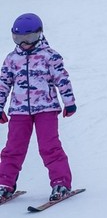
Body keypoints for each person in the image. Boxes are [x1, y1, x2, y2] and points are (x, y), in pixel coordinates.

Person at [0, 13, 77, 203]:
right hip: (19, 111)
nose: (25, 43)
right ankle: (4, 184)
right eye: (19, 39)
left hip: (46, 110)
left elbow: (62, 79)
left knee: (49, 147)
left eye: (29, 38)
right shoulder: (11, 59)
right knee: (13, 148)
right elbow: (3, 84)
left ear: (39, 34)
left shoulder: (49, 56)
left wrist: (69, 101)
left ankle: (61, 182)